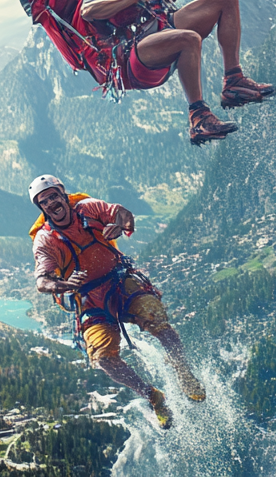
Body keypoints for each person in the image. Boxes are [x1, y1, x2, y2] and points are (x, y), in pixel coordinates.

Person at [29, 174, 204, 429]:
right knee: (103, 357)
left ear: (63, 194)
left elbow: (123, 213)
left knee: (156, 320)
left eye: (54, 195)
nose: (51, 203)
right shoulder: (46, 240)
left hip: (119, 280)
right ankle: (153, 396)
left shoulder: (88, 209)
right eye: (44, 201)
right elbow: (42, 281)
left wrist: (120, 226)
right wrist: (65, 285)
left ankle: (183, 371)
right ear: (41, 208)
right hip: (89, 298)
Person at [81, 0, 274, 145]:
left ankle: (234, 82)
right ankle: (198, 117)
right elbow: (88, 11)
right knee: (188, 38)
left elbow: (147, 10)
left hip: (156, 30)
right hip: (132, 56)